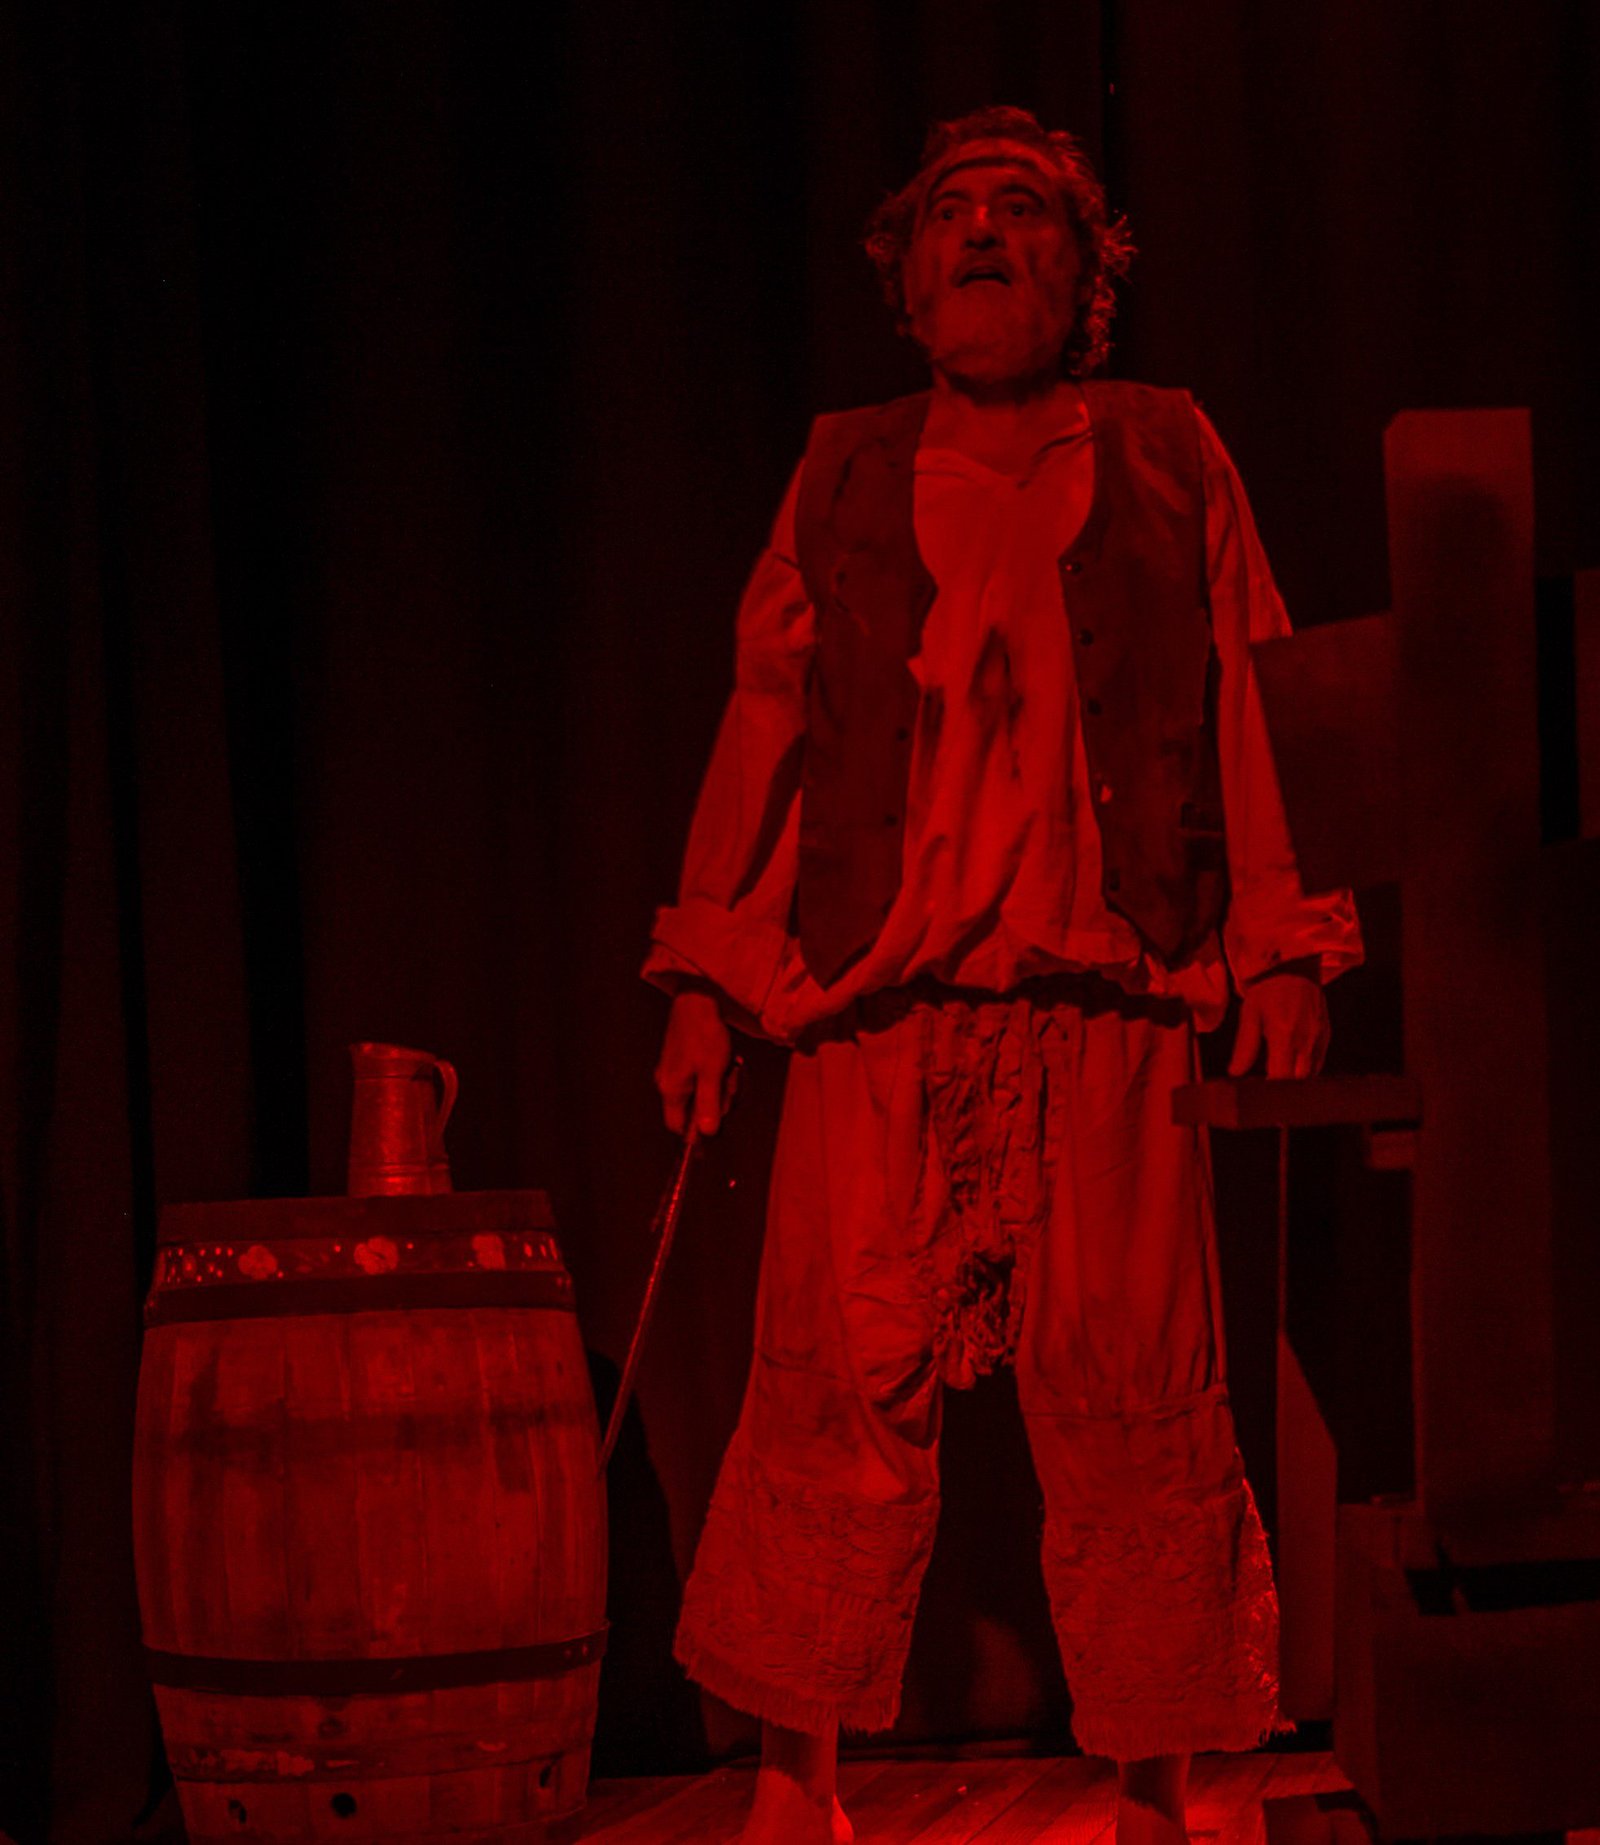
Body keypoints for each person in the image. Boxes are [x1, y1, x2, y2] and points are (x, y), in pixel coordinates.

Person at [644, 105, 1362, 1845]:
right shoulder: (843, 467)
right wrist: (706, 973)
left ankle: (1156, 1779)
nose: (982, 232)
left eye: (1024, 210)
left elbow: (1255, 688)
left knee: (1132, 1390)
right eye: (950, 212)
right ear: (904, 278)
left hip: (1110, 997)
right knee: (832, 1383)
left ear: (1084, 273)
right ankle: (796, 1779)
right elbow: (767, 714)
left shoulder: (1171, 451)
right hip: (878, 1008)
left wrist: (1284, 935)